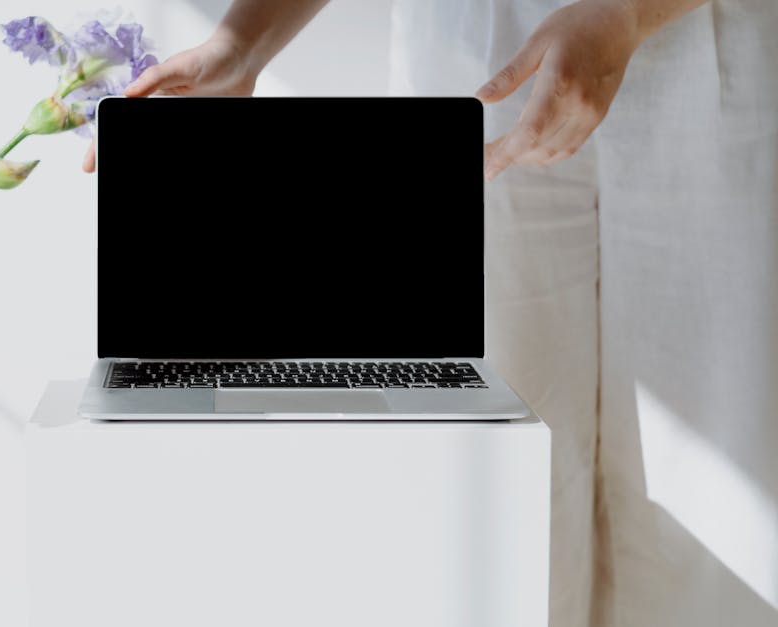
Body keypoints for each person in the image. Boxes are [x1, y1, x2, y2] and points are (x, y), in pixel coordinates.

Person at [86, 1, 778, 626]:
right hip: (474, 55)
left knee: (705, 504)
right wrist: (245, 42)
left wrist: (627, 14)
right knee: (495, 499)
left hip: (705, 44)